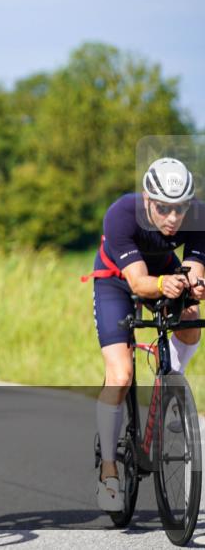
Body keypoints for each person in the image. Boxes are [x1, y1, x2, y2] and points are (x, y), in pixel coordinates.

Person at [83, 157, 205, 512]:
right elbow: (138, 282)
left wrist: (194, 287)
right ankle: (109, 471)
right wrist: (167, 283)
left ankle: (171, 384)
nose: (173, 217)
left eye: (180, 208)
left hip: (163, 271)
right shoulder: (122, 213)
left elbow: (195, 271)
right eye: (164, 208)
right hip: (116, 281)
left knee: (191, 318)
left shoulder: (197, 217)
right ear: (148, 200)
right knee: (121, 374)